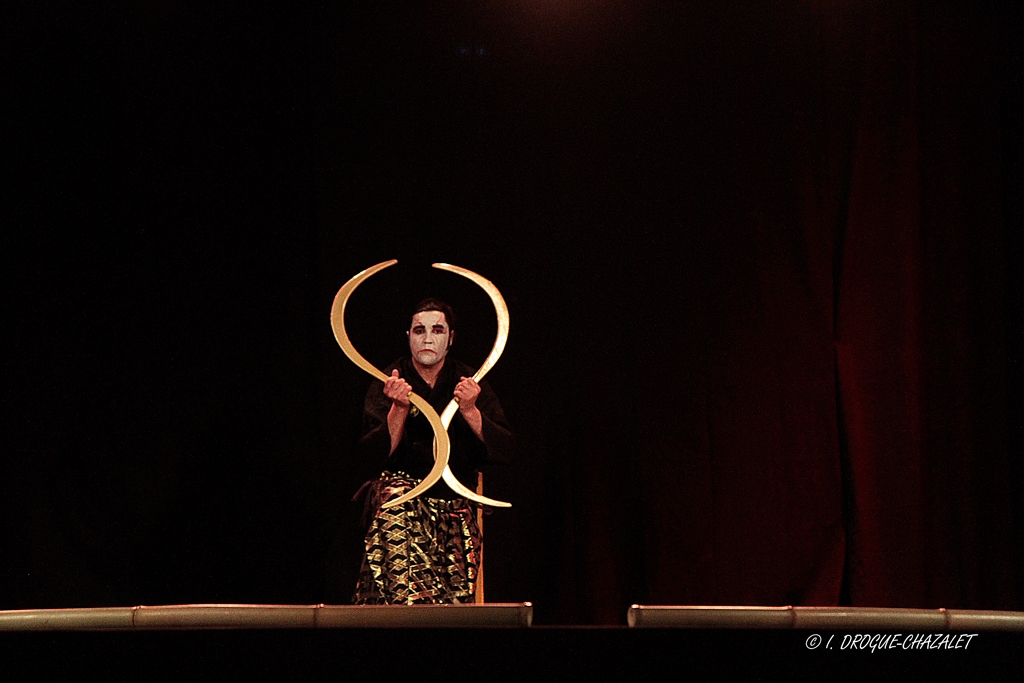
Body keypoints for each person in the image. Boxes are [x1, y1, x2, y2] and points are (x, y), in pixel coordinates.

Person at [352, 297, 514, 604]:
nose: (427, 338)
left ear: (450, 338)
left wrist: (470, 410)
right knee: (395, 505)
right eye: (419, 330)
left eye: (437, 330)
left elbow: (505, 449)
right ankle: (408, 616)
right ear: (408, 335)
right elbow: (370, 458)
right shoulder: (390, 380)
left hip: (455, 499)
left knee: (454, 594)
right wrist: (398, 408)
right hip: (401, 493)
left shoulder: (469, 381)